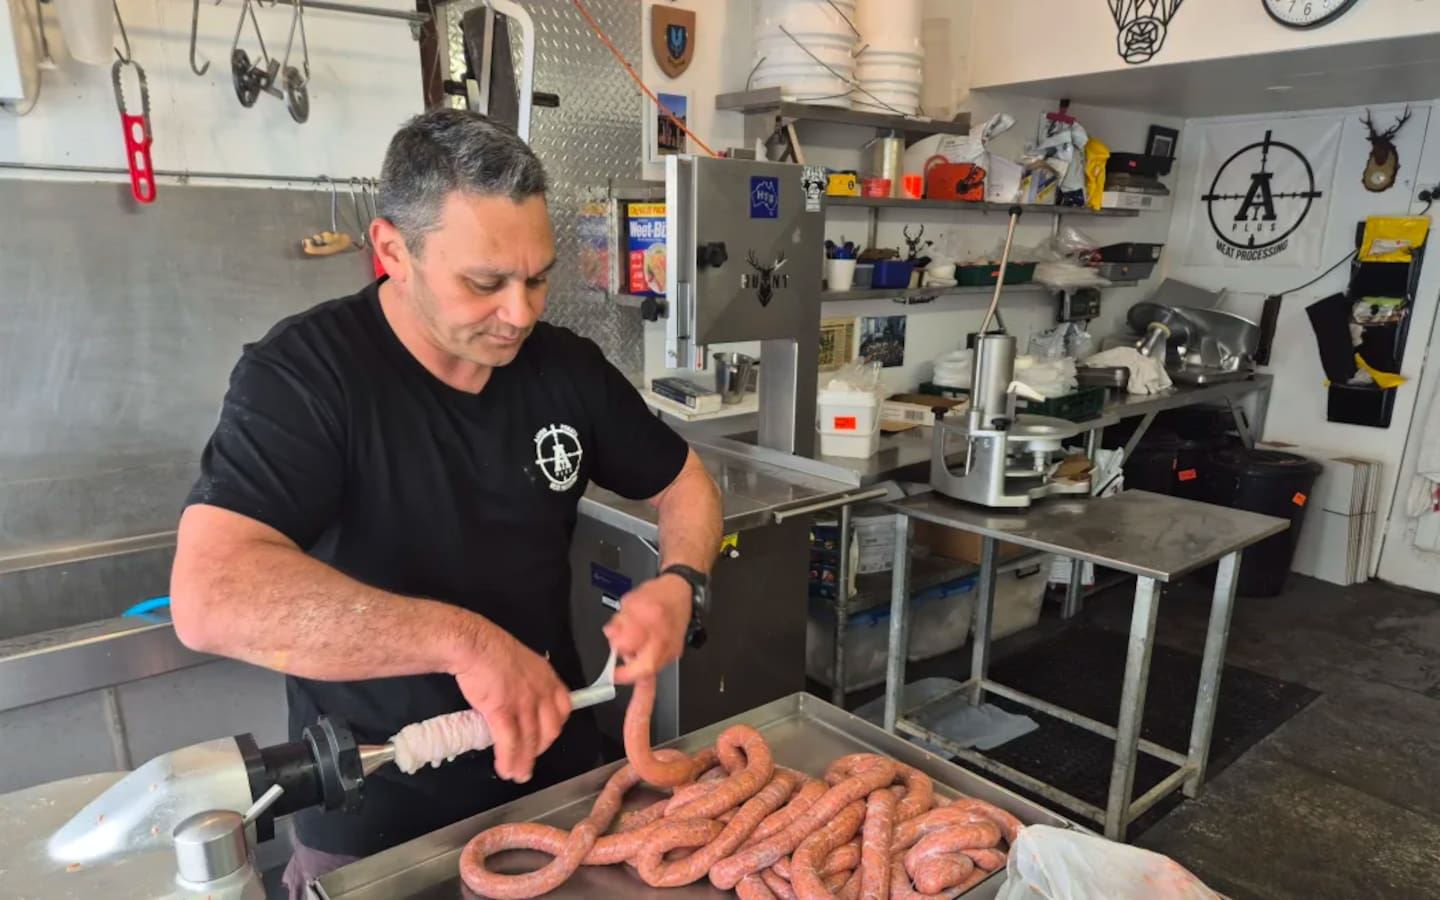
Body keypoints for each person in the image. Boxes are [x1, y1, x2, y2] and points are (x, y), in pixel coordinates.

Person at [168, 109, 722, 897]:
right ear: (392, 251)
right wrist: (465, 643)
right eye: (485, 283)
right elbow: (211, 595)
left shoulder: (565, 370)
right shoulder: (305, 377)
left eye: (537, 278)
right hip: (381, 816)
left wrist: (682, 583)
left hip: (559, 786)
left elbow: (683, 483)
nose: (521, 313)